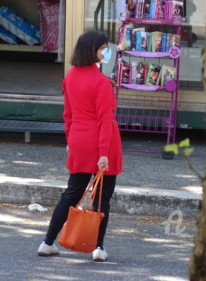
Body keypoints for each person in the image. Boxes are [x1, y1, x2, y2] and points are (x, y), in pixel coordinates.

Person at [37, 31, 123, 262]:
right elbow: (105, 119)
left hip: (78, 139)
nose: (107, 52)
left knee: (72, 193)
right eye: (103, 48)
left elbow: (68, 114)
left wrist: (69, 140)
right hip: (102, 142)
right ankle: (98, 247)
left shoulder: (70, 77)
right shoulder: (101, 82)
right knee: (102, 198)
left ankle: (47, 242)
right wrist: (104, 153)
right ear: (92, 51)